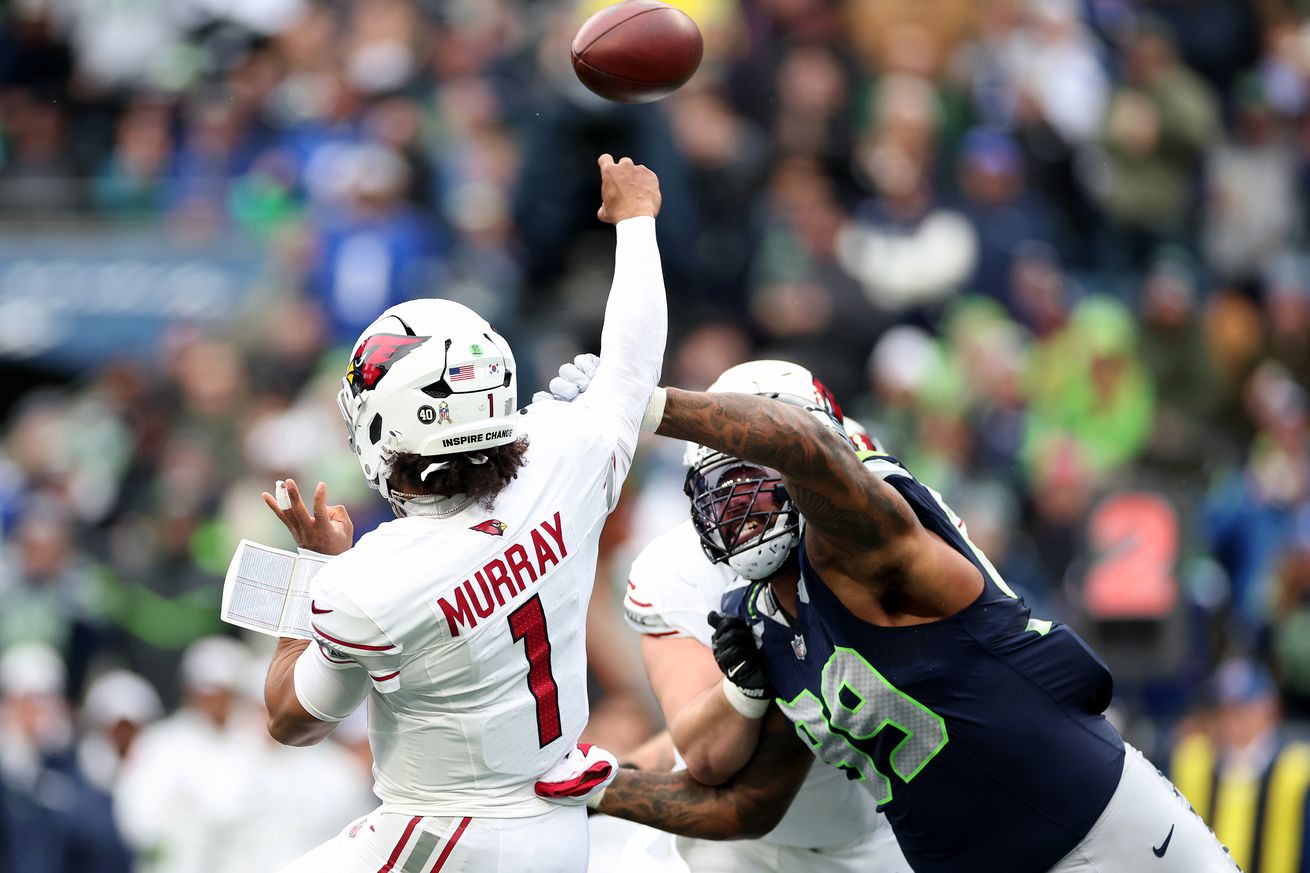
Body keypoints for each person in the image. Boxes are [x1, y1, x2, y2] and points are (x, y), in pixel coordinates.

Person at [539, 386, 1239, 872]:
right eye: (717, 491)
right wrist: (588, 783)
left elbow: (810, 446)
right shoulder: (767, 629)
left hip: (1097, 828)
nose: (738, 504)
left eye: (751, 477)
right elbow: (744, 806)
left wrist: (648, 402)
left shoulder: (861, 545)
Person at [261, 153, 667, 873]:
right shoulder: (565, 458)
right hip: (556, 826)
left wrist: (315, 567)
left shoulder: (373, 579)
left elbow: (293, 719)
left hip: (449, 834)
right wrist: (637, 222)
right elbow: (632, 364)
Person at [555, 357, 908, 871]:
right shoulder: (675, 570)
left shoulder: (881, 540)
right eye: (730, 472)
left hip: (882, 830)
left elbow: (748, 803)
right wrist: (739, 691)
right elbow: (703, 756)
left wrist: (591, 788)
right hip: (740, 847)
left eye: (765, 467)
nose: (743, 497)